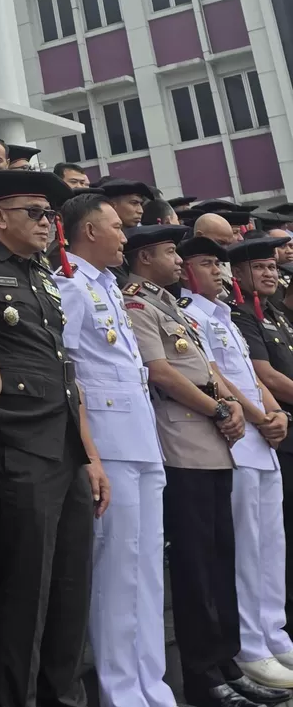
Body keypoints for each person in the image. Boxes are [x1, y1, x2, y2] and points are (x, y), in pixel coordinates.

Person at [0, 170, 99, 707]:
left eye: (50, 214)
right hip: (15, 445)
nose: (46, 223)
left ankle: (65, 697)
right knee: (25, 592)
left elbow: (63, 368)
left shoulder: (43, 275)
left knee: (71, 587)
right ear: (0, 216)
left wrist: (90, 456)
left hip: (62, 444)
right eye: (35, 212)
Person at [122, 225, 288, 707]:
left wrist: (239, 408)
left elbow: (211, 369)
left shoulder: (172, 305)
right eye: (172, 252)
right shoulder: (137, 302)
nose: (180, 261)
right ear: (144, 255)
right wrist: (223, 408)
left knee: (221, 560)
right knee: (198, 566)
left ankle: (228, 663)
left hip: (218, 442)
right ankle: (203, 675)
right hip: (183, 443)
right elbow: (162, 370)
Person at [54, 194, 176, 707]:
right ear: (88, 233)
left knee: (146, 569)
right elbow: (70, 374)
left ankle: (153, 686)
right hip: (108, 442)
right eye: (115, 228)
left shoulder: (109, 287)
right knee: (118, 570)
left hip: (140, 439)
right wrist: (90, 455)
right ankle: (122, 692)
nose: (126, 236)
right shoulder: (70, 286)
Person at [185, 236, 293, 688]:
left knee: (272, 544)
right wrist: (257, 416)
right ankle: (251, 644)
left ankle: (274, 634)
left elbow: (250, 373)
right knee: (248, 549)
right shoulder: (191, 314)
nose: (221, 272)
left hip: (262, 440)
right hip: (235, 441)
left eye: (221, 264)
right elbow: (217, 374)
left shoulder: (224, 314)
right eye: (208, 264)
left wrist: (276, 414)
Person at [224, 235, 293, 657]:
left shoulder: (273, 313)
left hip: (279, 430)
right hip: (271, 436)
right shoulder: (240, 313)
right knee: (273, 539)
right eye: (260, 267)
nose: (270, 273)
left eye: (273, 266)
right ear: (239, 273)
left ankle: (277, 632)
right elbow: (263, 373)